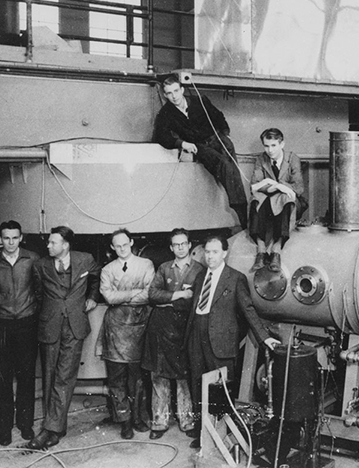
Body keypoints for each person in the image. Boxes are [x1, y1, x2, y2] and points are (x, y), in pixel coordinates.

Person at [185, 235, 280, 448]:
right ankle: (202, 431)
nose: (210, 256)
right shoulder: (201, 277)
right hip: (196, 337)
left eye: (215, 252)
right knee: (197, 385)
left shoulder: (235, 278)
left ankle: (222, 433)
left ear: (225, 253)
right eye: (207, 252)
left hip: (220, 341)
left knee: (221, 390)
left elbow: (248, 310)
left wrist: (265, 338)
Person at [28, 226, 100, 450]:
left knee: (65, 377)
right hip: (50, 326)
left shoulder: (86, 260)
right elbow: (39, 294)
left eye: (52, 242)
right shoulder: (41, 265)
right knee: (50, 377)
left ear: (65, 245)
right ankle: (56, 426)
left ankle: (50, 429)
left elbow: (96, 279)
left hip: (75, 326)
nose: (48, 246)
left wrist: (92, 297)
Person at [153, 73, 249, 229]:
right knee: (224, 165)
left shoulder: (200, 101)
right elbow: (161, 136)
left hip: (217, 139)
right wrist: (182, 143)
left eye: (176, 91)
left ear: (182, 90)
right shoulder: (166, 114)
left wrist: (225, 133)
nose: (174, 96)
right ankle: (242, 215)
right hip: (200, 146)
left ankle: (245, 213)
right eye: (169, 93)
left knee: (234, 172)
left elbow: (218, 116)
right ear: (165, 95)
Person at [141, 228, 203, 440]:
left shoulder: (199, 270)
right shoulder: (164, 268)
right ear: (171, 247)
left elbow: (196, 301)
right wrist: (179, 294)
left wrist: (169, 300)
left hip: (185, 328)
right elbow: (152, 295)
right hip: (161, 326)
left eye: (183, 244)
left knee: (184, 375)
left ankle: (186, 421)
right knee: (159, 375)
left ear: (189, 245)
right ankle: (159, 423)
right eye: (176, 245)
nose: (180, 248)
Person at [0, 220, 41, 446]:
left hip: (27, 325)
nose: (10, 242)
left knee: (26, 376)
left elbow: (40, 290)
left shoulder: (32, 260)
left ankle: (26, 425)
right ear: (0, 239)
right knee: (2, 379)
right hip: (2, 326)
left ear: (21, 238)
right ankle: (4, 428)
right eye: (6, 238)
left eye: (14, 238)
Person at [99, 229, 155, 439]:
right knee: (116, 379)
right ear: (113, 247)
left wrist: (120, 296)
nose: (122, 249)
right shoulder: (107, 269)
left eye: (125, 244)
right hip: (115, 330)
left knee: (138, 378)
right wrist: (133, 293)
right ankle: (125, 421)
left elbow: (149, 294)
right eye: (117, 246)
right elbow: (108, 297)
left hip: (139, 328)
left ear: (131, 242)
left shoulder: (146, 264)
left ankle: (139, 417)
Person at [249, 128, 304, 273]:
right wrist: (273, 185)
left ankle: (276, 251)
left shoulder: (292, 159)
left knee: (286, 198)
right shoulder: (261, 159)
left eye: (273, 145)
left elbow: (298, 188)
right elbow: (254, 186)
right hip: (269, 198)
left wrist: (278, 185)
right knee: (256, 200)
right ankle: (261, 251)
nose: (270, 150)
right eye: (266, 146)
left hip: (290, 202)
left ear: (282, 144)